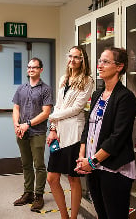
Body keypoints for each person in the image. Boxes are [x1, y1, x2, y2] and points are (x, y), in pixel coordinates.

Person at [75, 47, 136, 219]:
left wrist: (92, 161)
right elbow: (88, 128)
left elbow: (117, 138)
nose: (100, 65)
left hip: (114, 168)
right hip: (93, 166)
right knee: (101, 214)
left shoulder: (125, 97)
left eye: (105, 61)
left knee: (115, 215)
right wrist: (83, 158)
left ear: (119, 67)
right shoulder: (97, 94)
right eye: (99, 61)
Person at [46, 45, 93, 219]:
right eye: (70, 56)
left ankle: (73, 218)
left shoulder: (87, 80)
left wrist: (52, 117)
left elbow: (76, 108)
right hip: (59, 133)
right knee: (52, 178)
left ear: (83, 60)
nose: (72, 60)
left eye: (77, 57)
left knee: (73, 179)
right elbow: (59, 104)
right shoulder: (63, 79)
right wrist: (53, 128)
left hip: (74, 133)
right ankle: (64, 216)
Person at [12, 57, 53, 212]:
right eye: (29, 67)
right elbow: (16, 108)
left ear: (41, 69)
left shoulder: (46, 89)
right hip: (22, 132)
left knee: (39, 165)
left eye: (34, 67)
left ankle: (39, 195)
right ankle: (28, 193)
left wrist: (27, 124)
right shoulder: (21, 88)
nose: (31, 70)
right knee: (26, 164)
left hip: (37, 132)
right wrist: (16, 124)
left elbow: (46, 113)